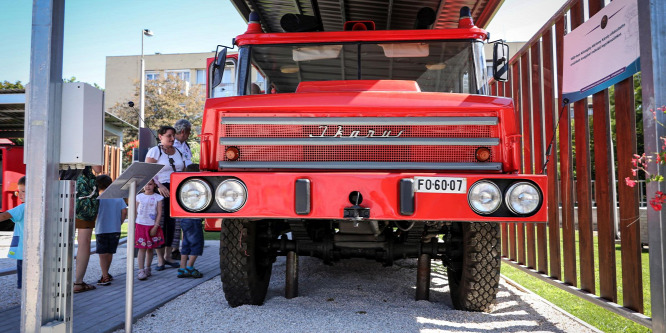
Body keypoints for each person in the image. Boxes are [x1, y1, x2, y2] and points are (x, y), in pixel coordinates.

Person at [145, 125, 184, 270]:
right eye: (169, 136)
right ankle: (160, 259)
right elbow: (148, 171)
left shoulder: (178, 151)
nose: (172, 138)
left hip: (176, 189)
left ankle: (168, 255)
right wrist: (159, 185)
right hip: (162, 190)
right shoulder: (155, 151)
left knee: (173, 224)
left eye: (173, 135)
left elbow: (182, 169)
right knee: (160, 223)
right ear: (160, 136)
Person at [94, 175, 128, 286]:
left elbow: (95, 213)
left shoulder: (98, 199)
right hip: (115, 229)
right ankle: (106, 273)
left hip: (102, 228)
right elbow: (124, 211)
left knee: (102, 254)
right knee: (109, 252)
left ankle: (105, 277)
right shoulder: (117, 197)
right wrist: (120, 222)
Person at [74, 165, 102, 293]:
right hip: (84, 199)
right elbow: (98, 168)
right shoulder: (89, 144)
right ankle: (78, 282)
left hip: (61, 190)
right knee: (84, 242)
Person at [177, 164, 204, 279]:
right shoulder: (198, 187)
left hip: (184, 218)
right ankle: (190, 267)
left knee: (186, 244)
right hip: (194, 219)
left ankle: (182, 268)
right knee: (197, 244)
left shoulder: (184, 185)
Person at [135, 179, 165, 280]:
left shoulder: (158, 198)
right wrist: (134, 224)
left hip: (152, 225)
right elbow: (134, 211)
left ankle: (148, 268)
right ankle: (140, 269)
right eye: (146, 184)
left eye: (150, 184)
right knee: (142, 248)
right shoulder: (139, 197)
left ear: (154, 185)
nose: (148, 186)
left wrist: (156, 226)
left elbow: (159, 212)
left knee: (150, 248)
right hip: (140, 224)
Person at [0, 176, 25, 289]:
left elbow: (5, 216)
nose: (20, 194)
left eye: (23, 191)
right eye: (19, 191)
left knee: (24, 278)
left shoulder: (23, 207)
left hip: (23, 249)